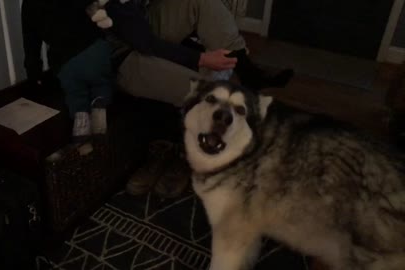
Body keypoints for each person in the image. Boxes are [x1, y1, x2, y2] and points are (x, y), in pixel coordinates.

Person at [85, 0, 294, 198]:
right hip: (119, 55)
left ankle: (247, 69)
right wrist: (200, 58)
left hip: (141, 26)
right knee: (203, 92)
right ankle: (177, 151)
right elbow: (143, 41)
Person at [21, 0, 113, 151]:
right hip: (94, 48)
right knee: (101, 83)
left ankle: (83, 139)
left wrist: (34, 73)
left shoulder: (29, 4)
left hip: (64, 61)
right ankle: (99, 106)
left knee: (76, 96)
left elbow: (31, 41)